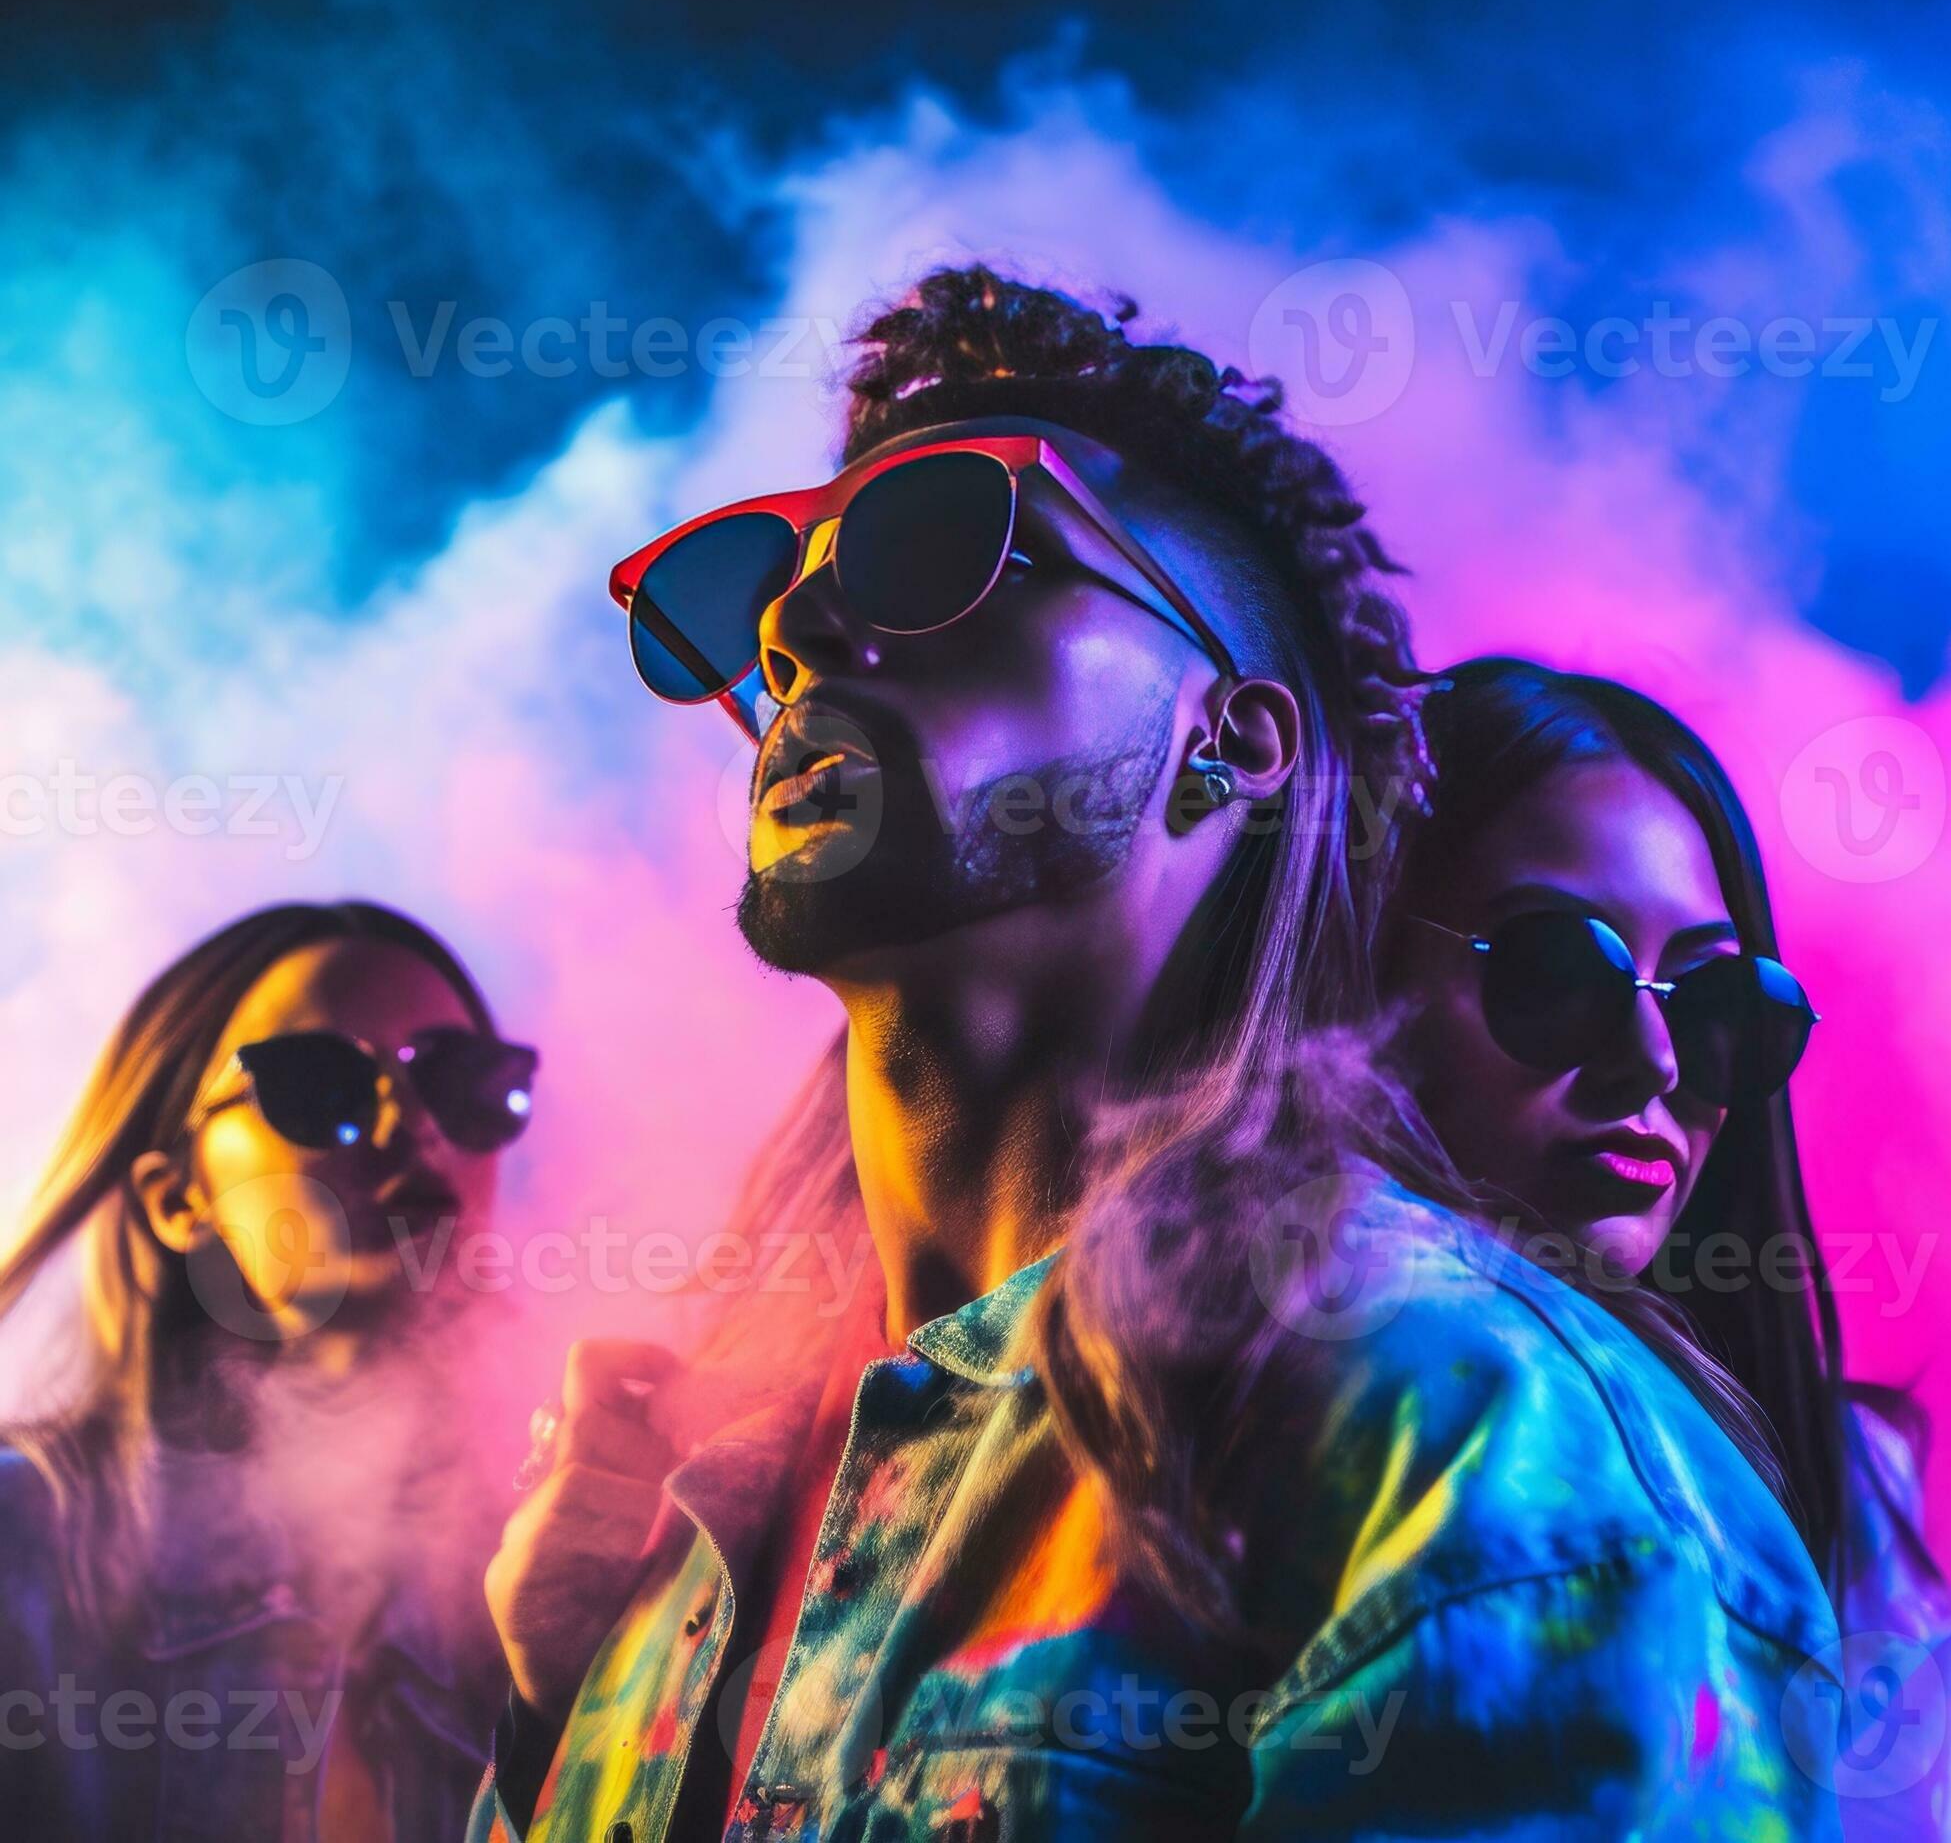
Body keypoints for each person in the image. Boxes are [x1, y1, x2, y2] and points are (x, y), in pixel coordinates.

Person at [476, 266, 1846, 1840]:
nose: (792, 627)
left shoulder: (1461, 1437)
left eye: (943, 544)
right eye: (771, 592)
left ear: (1232, 740)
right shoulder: (689, 1522)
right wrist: (543, 1712)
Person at [1381, 656, 1951, 1839]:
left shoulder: (1853, 1503)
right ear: (1360, 966)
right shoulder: (1193, 1391)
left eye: (1714, 1007)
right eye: (1556, 969)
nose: (1653, 1061)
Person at [0, 900, 531, 1841]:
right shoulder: (22, 1547)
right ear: (176, 1201)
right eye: (317, 1083)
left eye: (464, 1080)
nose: (408, 1124)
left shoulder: (566, 1581)